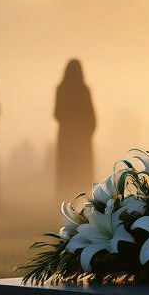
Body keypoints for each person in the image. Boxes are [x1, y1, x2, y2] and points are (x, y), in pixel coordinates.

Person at [54, 59, 97, 197]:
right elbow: (91, 115)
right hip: (81, 137)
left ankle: (66, 197)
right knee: (81, 169)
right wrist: (88, 130)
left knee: (68, 169)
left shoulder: (62, 89)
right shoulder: (83, 90)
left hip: (68, 137)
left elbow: (56, 113)